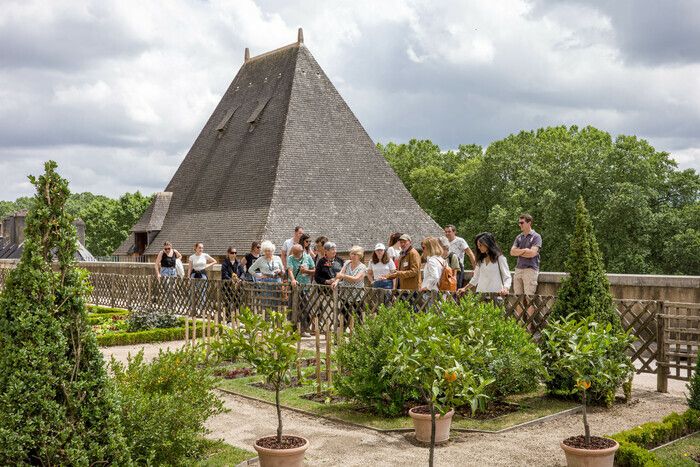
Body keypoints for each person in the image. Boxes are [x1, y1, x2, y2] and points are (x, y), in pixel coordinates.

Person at [458, 233, 512, 299]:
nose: (478, 247)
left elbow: (507, 277)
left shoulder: (500, 259)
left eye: (480, 245)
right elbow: (475, 278)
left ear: (488, 244)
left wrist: (506, 288)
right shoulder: (480, 261)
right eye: (478, 245)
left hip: (495, 295)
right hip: (481, 295)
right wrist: (464, 288)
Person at [331, 246, 368, 323]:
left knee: (357, 318)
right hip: (345, 294)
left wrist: (343, 276)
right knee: (344, 316)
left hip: (357, 295)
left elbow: (356, 279)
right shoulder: (347, 263)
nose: (353, 256)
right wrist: (336, 282)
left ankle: (357, 333)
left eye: (355, 254)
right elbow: (340, 274)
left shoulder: (362, 267)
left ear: (360, 256)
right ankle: (343, 332)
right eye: (352, 254)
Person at [510, 213, 542, 296]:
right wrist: (525, 250)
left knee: (529, 298)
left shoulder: (536, 237)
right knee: (517, 298)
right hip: (518, 269)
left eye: (522, 223)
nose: (520, 225)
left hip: (530, 270)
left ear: (529, 223)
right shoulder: (519, 237)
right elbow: (512, 252)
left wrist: (519, 252)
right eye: (519, 223)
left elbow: (532, 253)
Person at [287, 243, 316, 334]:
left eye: (297, 254)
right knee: (293, 307)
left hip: (305, 286)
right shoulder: (290, 258)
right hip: (295, 287)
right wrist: (293, 280)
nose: (295, 256)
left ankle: (304, 329)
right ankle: (293, 328)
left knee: (306, 307)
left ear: (302, 251)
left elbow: (314, 270)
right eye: (294, 253)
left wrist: (306, 271)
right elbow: (290, 270)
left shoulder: (308, 257)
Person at [249, 241, 285, 310]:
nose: (267, 252)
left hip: (277, 281)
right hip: (265, 282)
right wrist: (259, 276)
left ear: (272, 250)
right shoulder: (260, 259)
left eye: (269, 251)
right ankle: (265, 318)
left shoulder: (277, 258)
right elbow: (250, 270)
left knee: (276, 301)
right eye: (265, 251)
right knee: (265, 301)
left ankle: (275, 319)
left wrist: (280, 271)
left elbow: (283, 271)